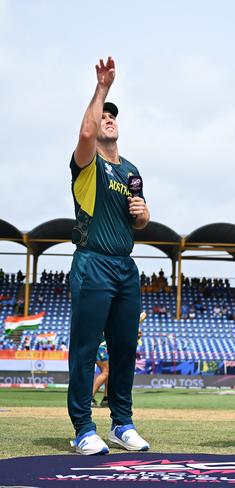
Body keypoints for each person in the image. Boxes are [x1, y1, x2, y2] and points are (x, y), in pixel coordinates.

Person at [67, 57, 151, 455]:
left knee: (123, 350)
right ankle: (83, 428)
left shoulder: (132, 169)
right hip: (92, 261)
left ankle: (122, 423)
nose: (108, 119)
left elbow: (139, 219)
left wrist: (144, 215)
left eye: (113, 116)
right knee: (86, 350)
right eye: (104, 116)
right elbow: (86, 131)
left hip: (124, 266)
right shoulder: (87, 164)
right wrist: (102, 90)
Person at [91, 338, 109, 408]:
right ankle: (89, 398)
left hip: (100, 346)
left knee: (107, 372)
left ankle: (106, 399)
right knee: (106, 372)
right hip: (101, 347)